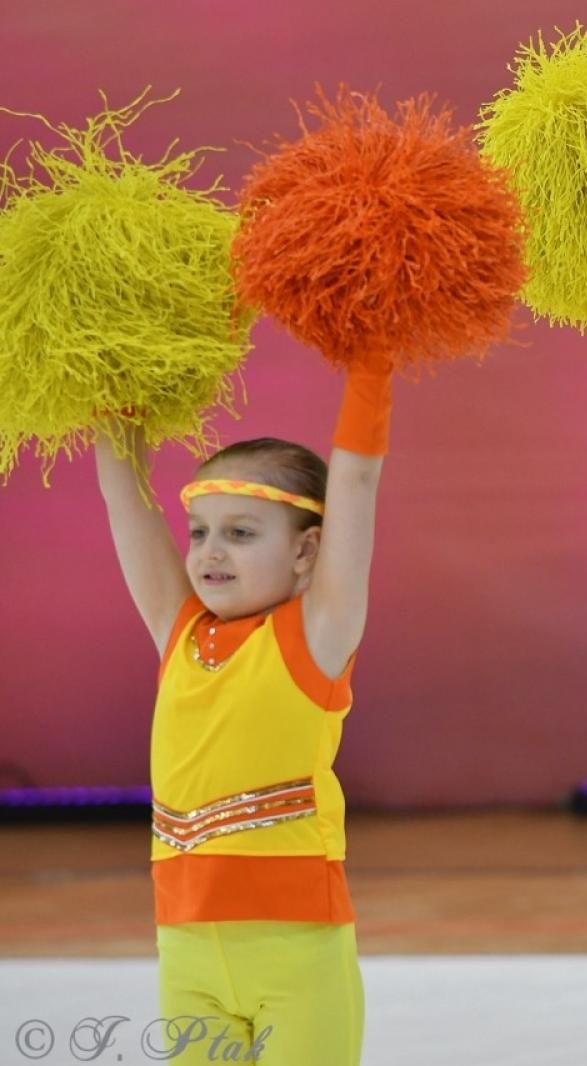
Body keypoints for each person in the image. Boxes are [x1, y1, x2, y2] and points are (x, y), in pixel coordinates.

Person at [93, 367, 392, 1064]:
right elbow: (123, 496)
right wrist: (107, 368)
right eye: (199, 532)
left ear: (306, 550)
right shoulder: (179, 631)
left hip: (297, 955)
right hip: (185, 952)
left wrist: (372, 365)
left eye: (241, 531)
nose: (210, 551)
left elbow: (354, 486)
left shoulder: (314, 639)